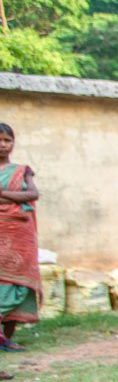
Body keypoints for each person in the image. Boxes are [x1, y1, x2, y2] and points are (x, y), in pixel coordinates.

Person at [0, 123, 40, 369]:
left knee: (20, 283)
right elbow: (23, 196)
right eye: (0, 140)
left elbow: (32, 195)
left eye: (7, 140)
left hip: (20, 235)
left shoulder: (22, 170)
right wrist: (14, 197)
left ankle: (8, 337)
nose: (3, 144)